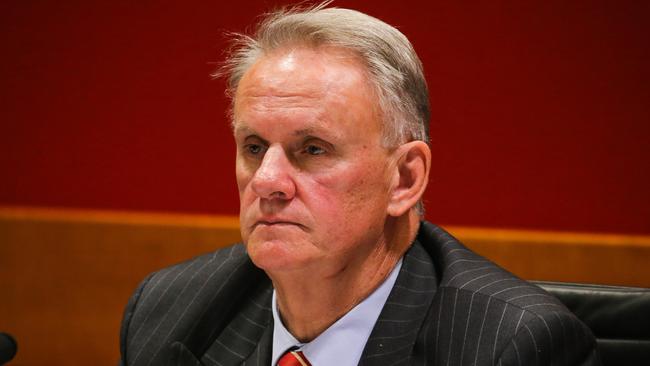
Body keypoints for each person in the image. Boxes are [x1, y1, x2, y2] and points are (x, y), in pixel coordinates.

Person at [119, 3, 600, 366]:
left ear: (405, 178)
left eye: (312, 149)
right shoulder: (168, 311)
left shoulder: (514, 346)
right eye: (254, 147)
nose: (267, 181)